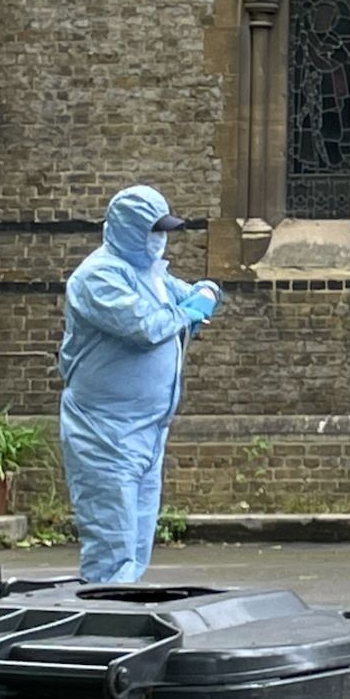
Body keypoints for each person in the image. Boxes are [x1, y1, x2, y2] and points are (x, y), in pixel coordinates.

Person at [58, 185, 221, 583]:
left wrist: (205, 294)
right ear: (128, 228)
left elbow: (204, 290)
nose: (159, 239)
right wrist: (189, 311)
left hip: (149, 430)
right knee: (111, 545)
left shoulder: (150, 274)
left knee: (137, 542)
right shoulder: (98, 277)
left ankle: (121, 617)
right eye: (152, 230)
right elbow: (145, 326)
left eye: (163, 231)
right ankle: (101, 629)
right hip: (105, 430)